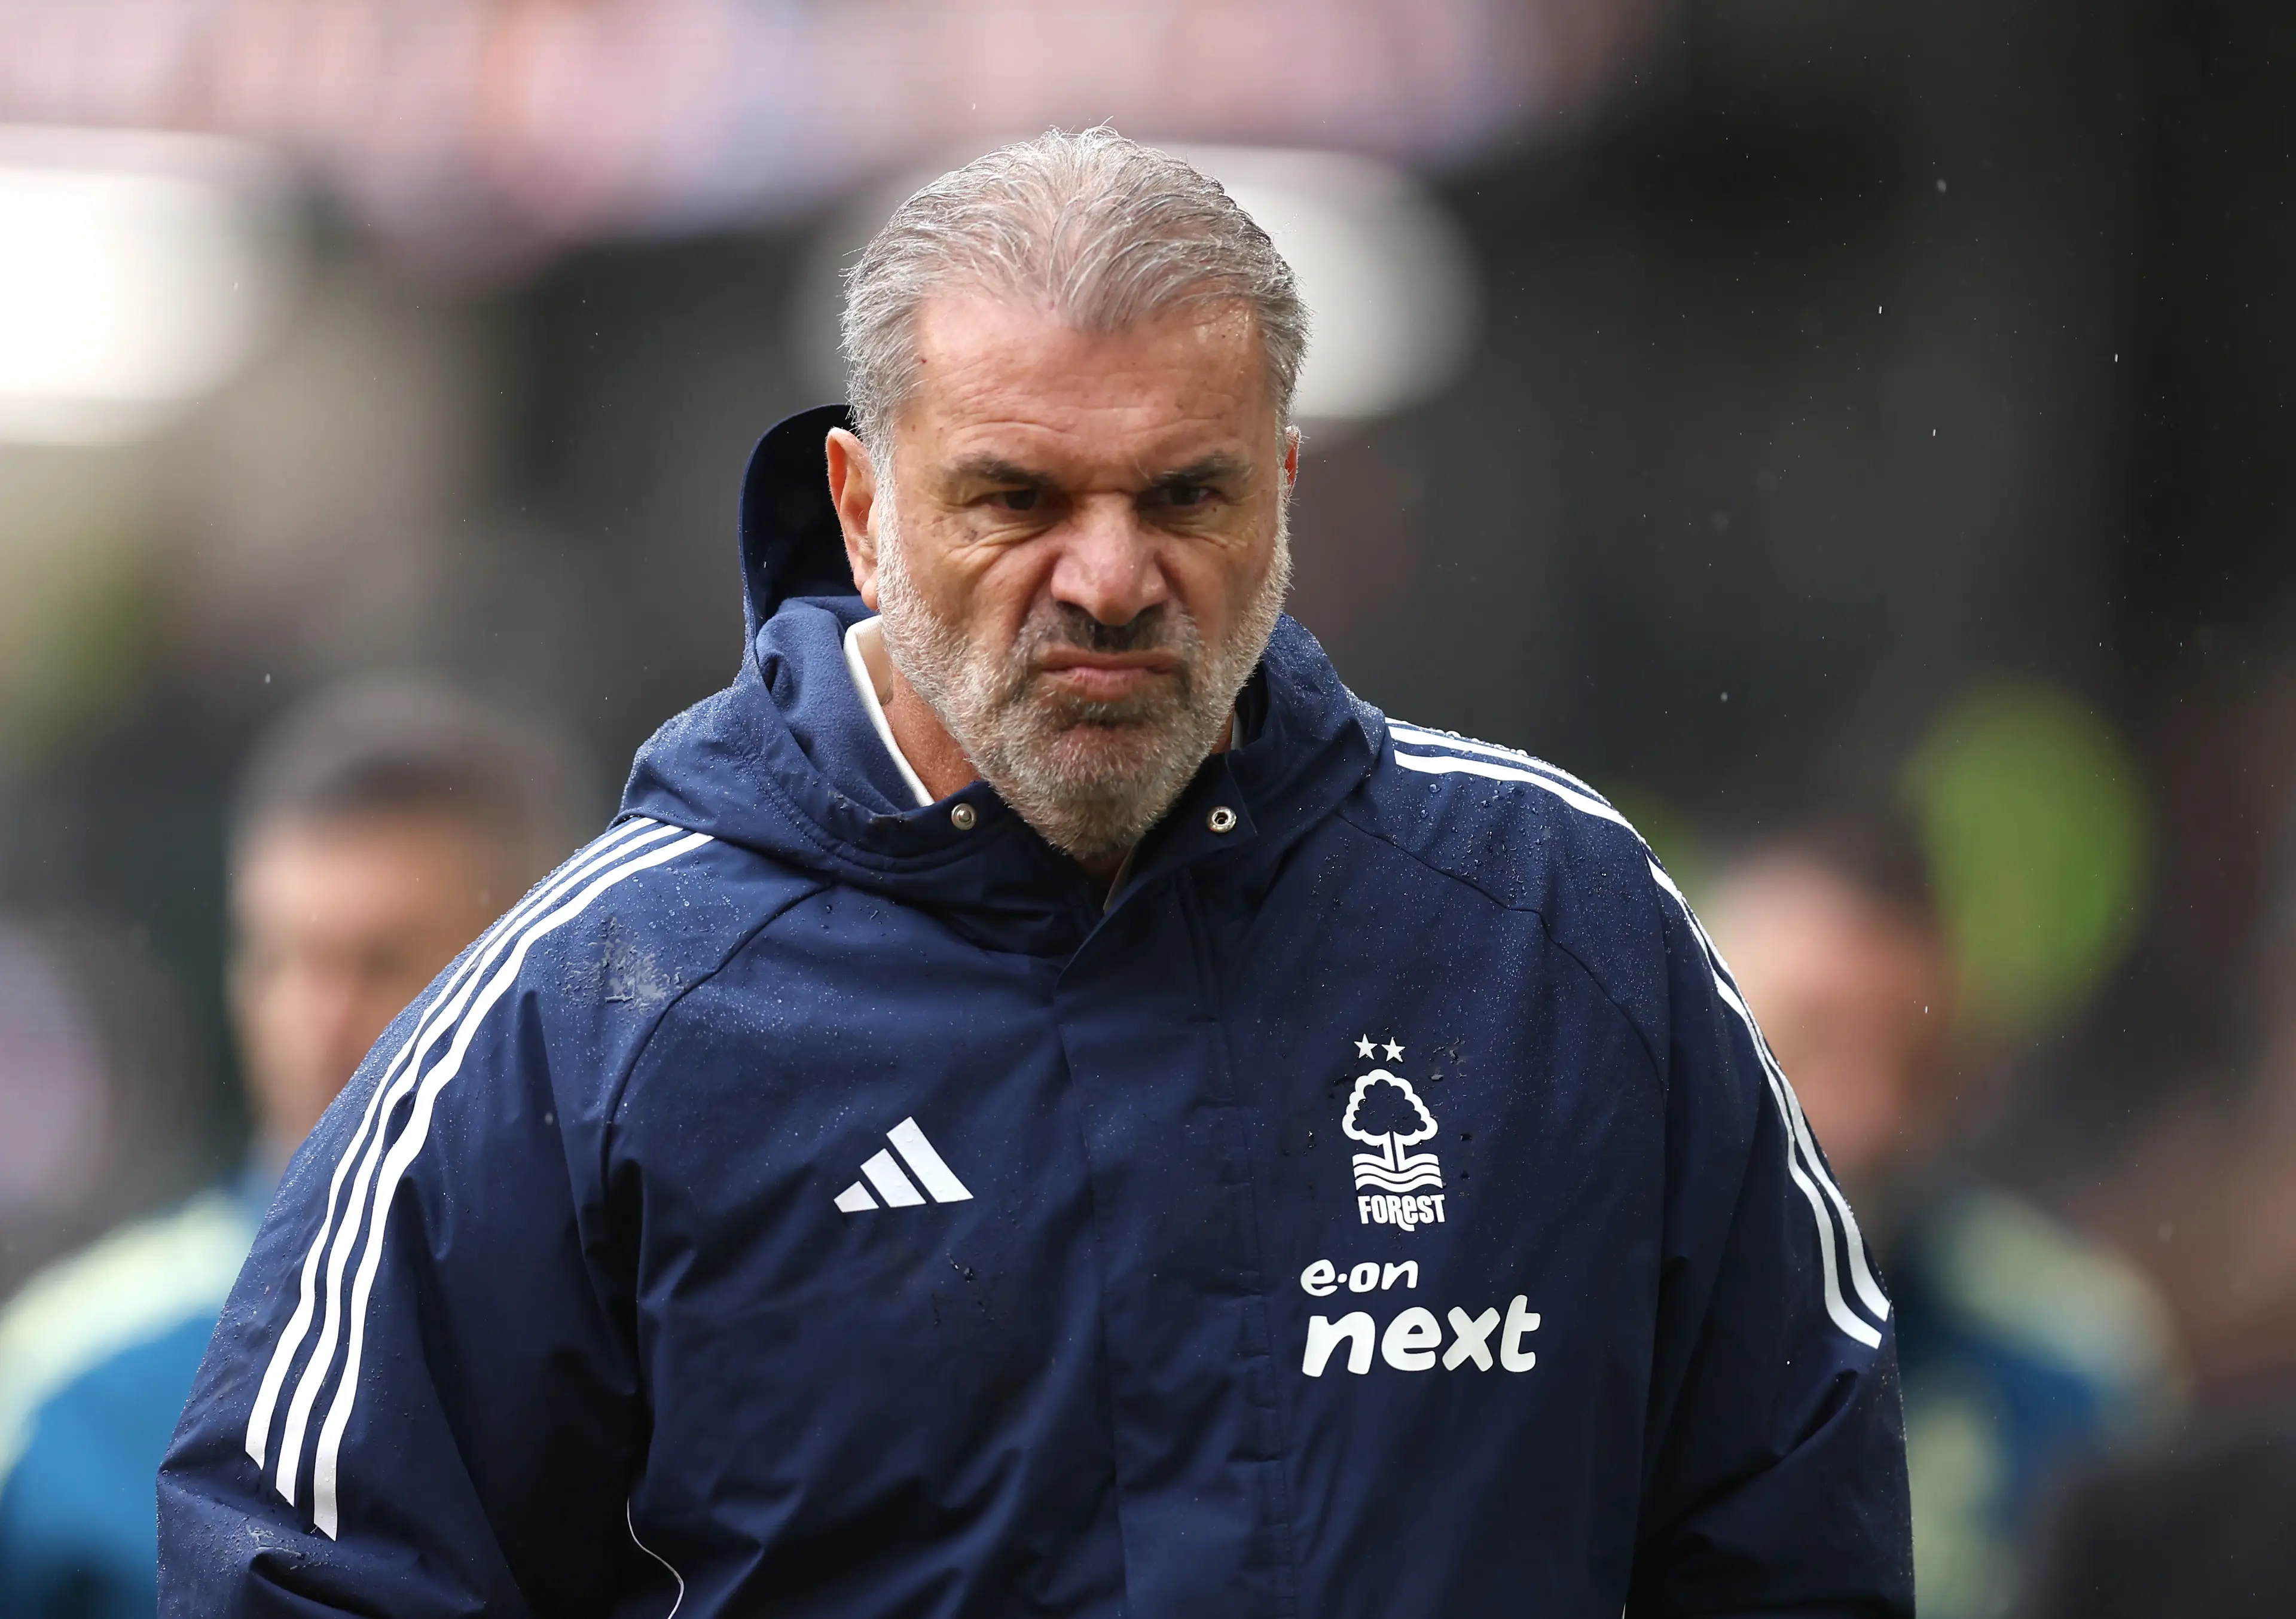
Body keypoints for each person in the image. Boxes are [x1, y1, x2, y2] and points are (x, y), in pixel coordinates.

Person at [161, 129, 1913, 1617]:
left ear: (1283, 490)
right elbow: (302, 1567)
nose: (1110, 577)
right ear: (863, 512)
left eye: (1187, 496)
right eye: (1017, 498)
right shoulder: (597, 1010)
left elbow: (1798, 1526)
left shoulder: (1555, 930)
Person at [0, 677, 584, 1619]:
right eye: (281, 959)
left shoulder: (661, 1333)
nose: (318, 1022)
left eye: (382, 961)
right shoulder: (70, 1383)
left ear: (546, 973)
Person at [1702, 810, 2176, 1619]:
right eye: (1805, 1042)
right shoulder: (1541, 1314)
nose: (1868, 1114)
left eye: (1916, 1066)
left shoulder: (2066, 1356)